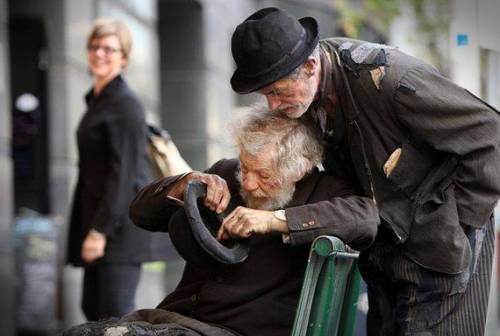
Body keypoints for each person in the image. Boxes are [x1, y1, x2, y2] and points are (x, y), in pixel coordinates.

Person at [229, 7, 500, 336]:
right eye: (265, 95)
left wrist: (457, 222)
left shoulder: (394, 81)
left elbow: (491, 136)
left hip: (443, 251)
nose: (272, 105)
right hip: (386, 255)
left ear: (310, 66)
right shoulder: (308, 93)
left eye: (276, 91)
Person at [102, 107, 377, 336]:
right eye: (245, 167)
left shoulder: (325, 191)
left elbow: (366, 218)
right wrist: (182, 184)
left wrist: (275, 220)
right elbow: (140, 213)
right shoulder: (225, 172)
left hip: (241, 329)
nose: (247, 182)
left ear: (299, 170)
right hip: (176, 317)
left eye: (263, 175)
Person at [66, 18, 168, 321]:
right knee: (93, 310)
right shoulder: (97, 101)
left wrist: (99, 232)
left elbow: (123, 176)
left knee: (114, 314)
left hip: (119, 229)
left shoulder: (125, 104)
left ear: (123, 58)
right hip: (99, 222)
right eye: (95, 47)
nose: (100, 54)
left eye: (109, 49)